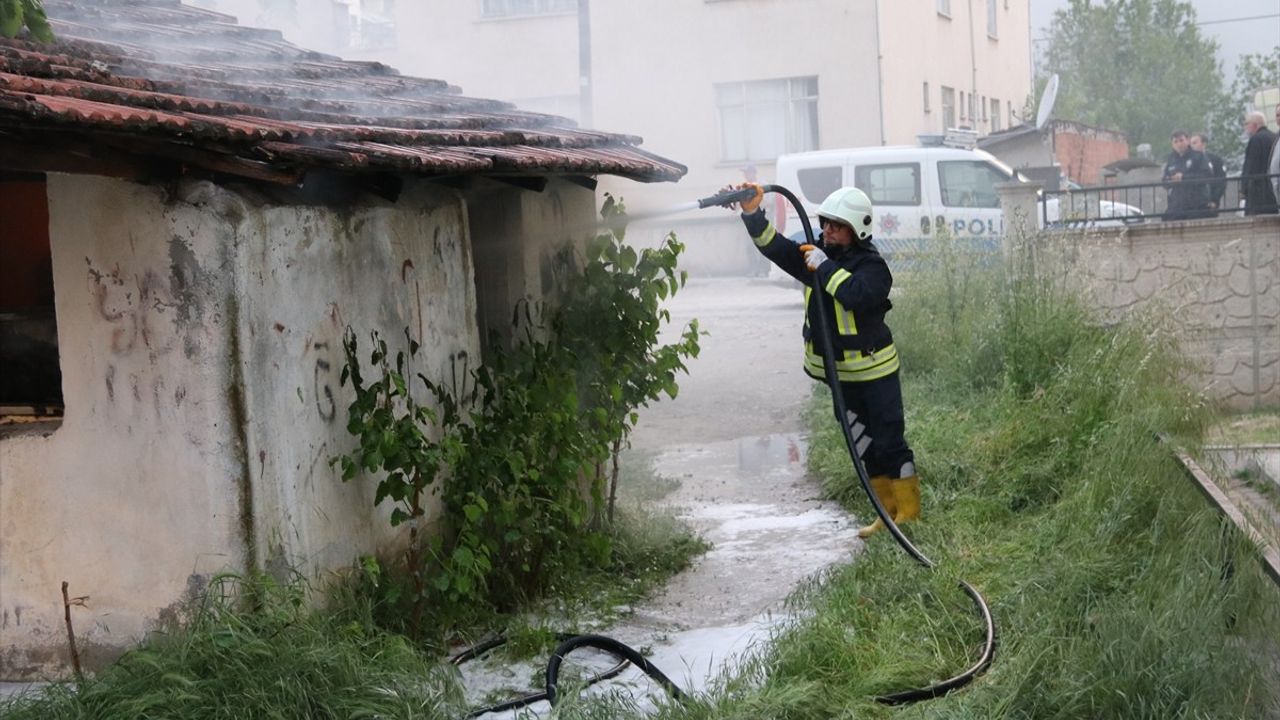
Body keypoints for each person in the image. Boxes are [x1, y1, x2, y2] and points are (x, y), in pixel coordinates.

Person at [731, 184, 918, 538]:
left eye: (836, 225)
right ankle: (887, 513)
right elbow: (776, 247)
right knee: (864, 445)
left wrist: (826, 267)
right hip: (840, 377)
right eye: (825, 223)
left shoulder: (873, 267)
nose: (827, 230)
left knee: (889, 443)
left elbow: (857, 295)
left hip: (875, 373)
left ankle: (909, 511)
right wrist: (752, 213)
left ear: (857, 229)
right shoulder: (817, 257)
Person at [1161, 130, 1212, 220]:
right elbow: (1164, 181)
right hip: (1177, 205)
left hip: (1197, 204)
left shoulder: (1198, 156)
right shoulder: (1171, 159)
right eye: (1175, 142)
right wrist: (1170, 180)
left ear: (1188, 141)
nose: (1179, 144)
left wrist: (1184, 177)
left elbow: (1207, 176)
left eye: (1181, 140)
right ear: (1172, 144)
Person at [1241, 111, 1278, 215]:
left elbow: (1251, 166)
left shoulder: (1255, 139)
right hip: (1274, 191)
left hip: (1258, 193)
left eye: (1247, 123)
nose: (1246, 127)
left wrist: (1244, 188)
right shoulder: (1275, 138)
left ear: (1254, 124)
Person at [1190, 133, 1226, 211]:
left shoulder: (1215, 159)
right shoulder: (1188, 162)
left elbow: (1221, 181)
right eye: (1191, 143)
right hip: (1191, 204)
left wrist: (1214, 200)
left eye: (1195, 143)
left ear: (1204, 144)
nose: (1192, 146)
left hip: (1209, 202)